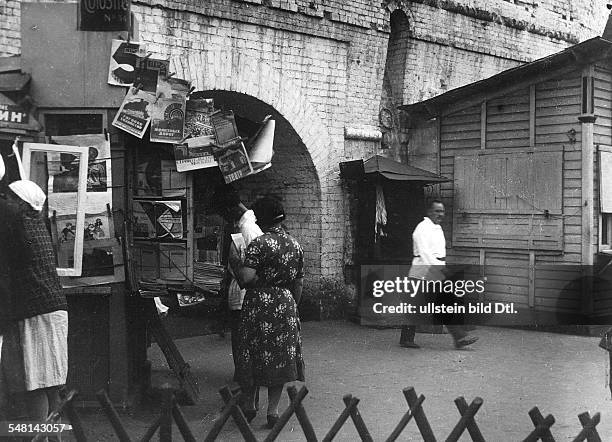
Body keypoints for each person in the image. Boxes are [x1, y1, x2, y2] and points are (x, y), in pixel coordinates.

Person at [1, 180, 69, 428]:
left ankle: (40, 436)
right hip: (53, 309)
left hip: (36, 312)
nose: (5, 203)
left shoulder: (21, 227)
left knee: (37, 384)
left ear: (21, 203)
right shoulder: (39, 226)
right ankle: (54, 437)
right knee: (51, 385)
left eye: (8, 199)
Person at [233, 196, 305, 429]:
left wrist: (236, 264)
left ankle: (251, 405)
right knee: (279, 356)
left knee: (252, 351)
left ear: (262, 219)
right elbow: (299, 283)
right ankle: (273, 411)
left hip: (259, 303)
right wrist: (292, 305)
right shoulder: (295, 245)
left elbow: (246, 278)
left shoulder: (260, 244)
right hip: (285, 303)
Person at [400, 200, 478, 349]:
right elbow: (425, 253)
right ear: (429, 212)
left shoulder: (437, 228)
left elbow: (438, 254)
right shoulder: (422, 229)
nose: (440, 214)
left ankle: (459, 337)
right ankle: (458, 337)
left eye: (442, 211)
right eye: (437, 211)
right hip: (422, 270)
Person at [212, 185, 263, 382]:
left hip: (245, 291)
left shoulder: (248, 230)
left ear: (230, 209)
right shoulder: (244, 226)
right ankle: (244, 372)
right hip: (239, 289)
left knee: (243, 337)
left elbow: (253, 268)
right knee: (241, 335)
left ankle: (245, 374)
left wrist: (235, 264)